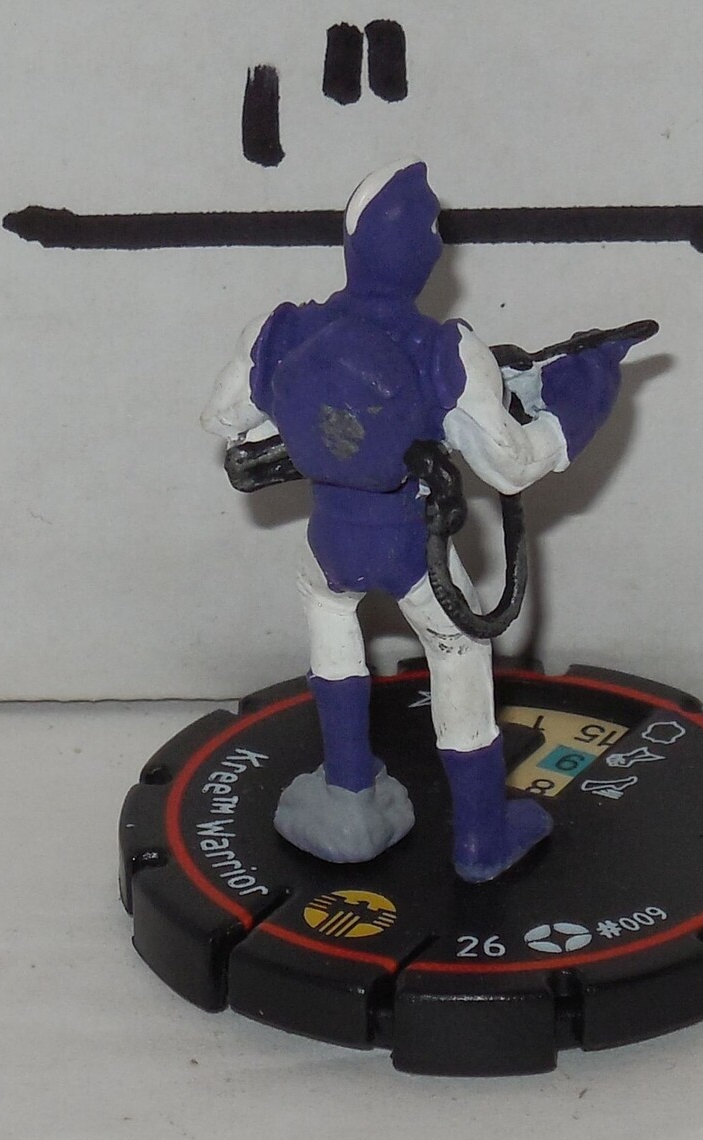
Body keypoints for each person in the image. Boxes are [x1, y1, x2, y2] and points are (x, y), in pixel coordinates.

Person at [202, 159, 649, 881]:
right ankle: (481, 836)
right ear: (425, 250)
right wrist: (583, 390)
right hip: (415, 553)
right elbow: (512, 467)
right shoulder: (445, 350)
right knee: (460, 659)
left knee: (330, 619)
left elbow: (223, 418)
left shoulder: (280, 329)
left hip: (329, 543)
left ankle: (348, 788)